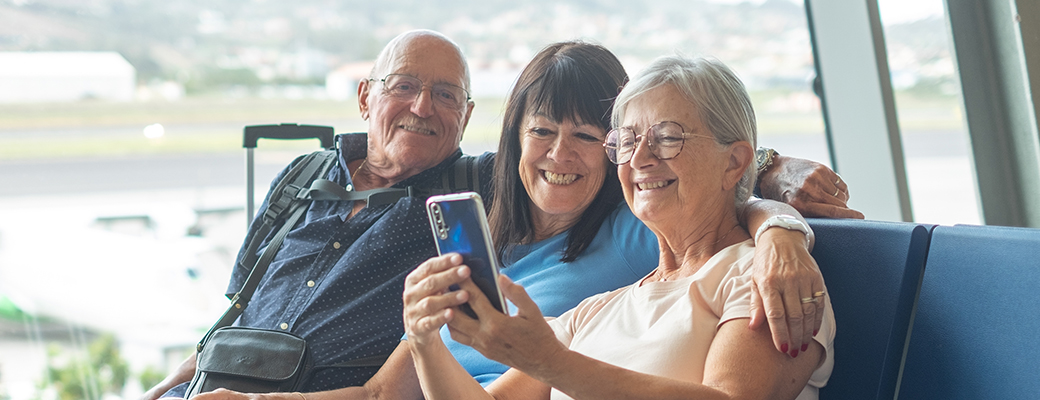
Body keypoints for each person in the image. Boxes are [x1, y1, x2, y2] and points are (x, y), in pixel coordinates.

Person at [144, 31, 854, 400]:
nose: (563, 155)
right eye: (542, 132)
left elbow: (714, 189)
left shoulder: (656, 240)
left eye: (591, 137)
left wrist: (781, 225)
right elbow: (382, 394)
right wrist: (422, 336)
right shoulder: (568, 291)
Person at [405, 55, 835, 400]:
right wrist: (423, 340)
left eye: (667, 137)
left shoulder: (765, 280)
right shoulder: (595, 311)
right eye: (627, 141)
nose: (640, 158)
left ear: (735, 162)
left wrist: (552, 363)